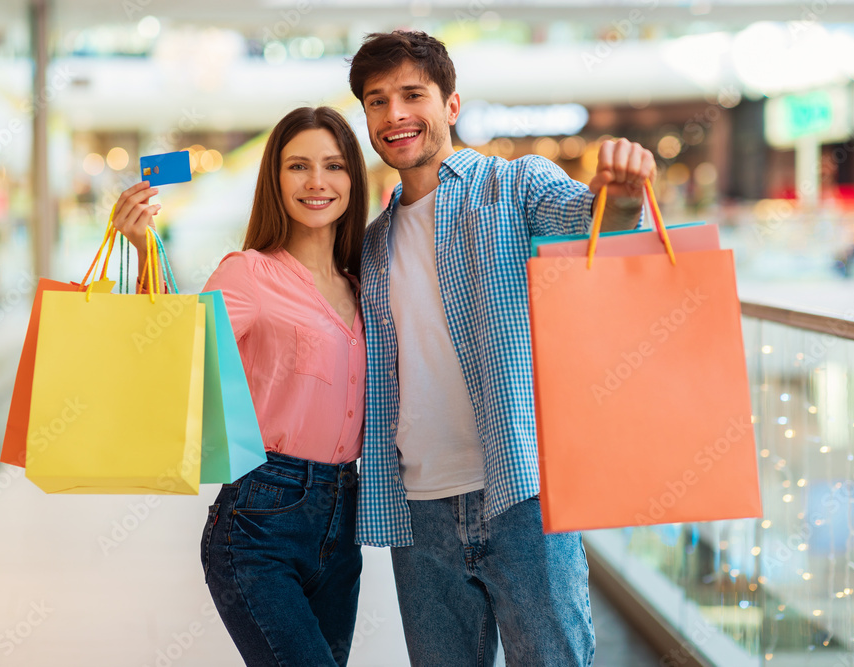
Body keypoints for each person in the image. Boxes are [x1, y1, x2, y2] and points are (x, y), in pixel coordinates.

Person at [348, 31, 656, 666]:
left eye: (413, 95)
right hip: (419, 512)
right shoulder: (371, 245)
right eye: (377, 102)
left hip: (520, 491)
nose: (396, 115)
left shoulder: (513, 186)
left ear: (451, 105)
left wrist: (622, 194)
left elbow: (590, 220)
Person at [111, 106, 369, 666]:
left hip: (344, 524)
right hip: (261, 522)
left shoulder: (362, 284)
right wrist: (144, 250)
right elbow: (173, 353)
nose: (317, 181)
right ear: (275, 180)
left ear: (354, 178)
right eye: (298, 165)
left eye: (334, 165)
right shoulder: (249, 272)